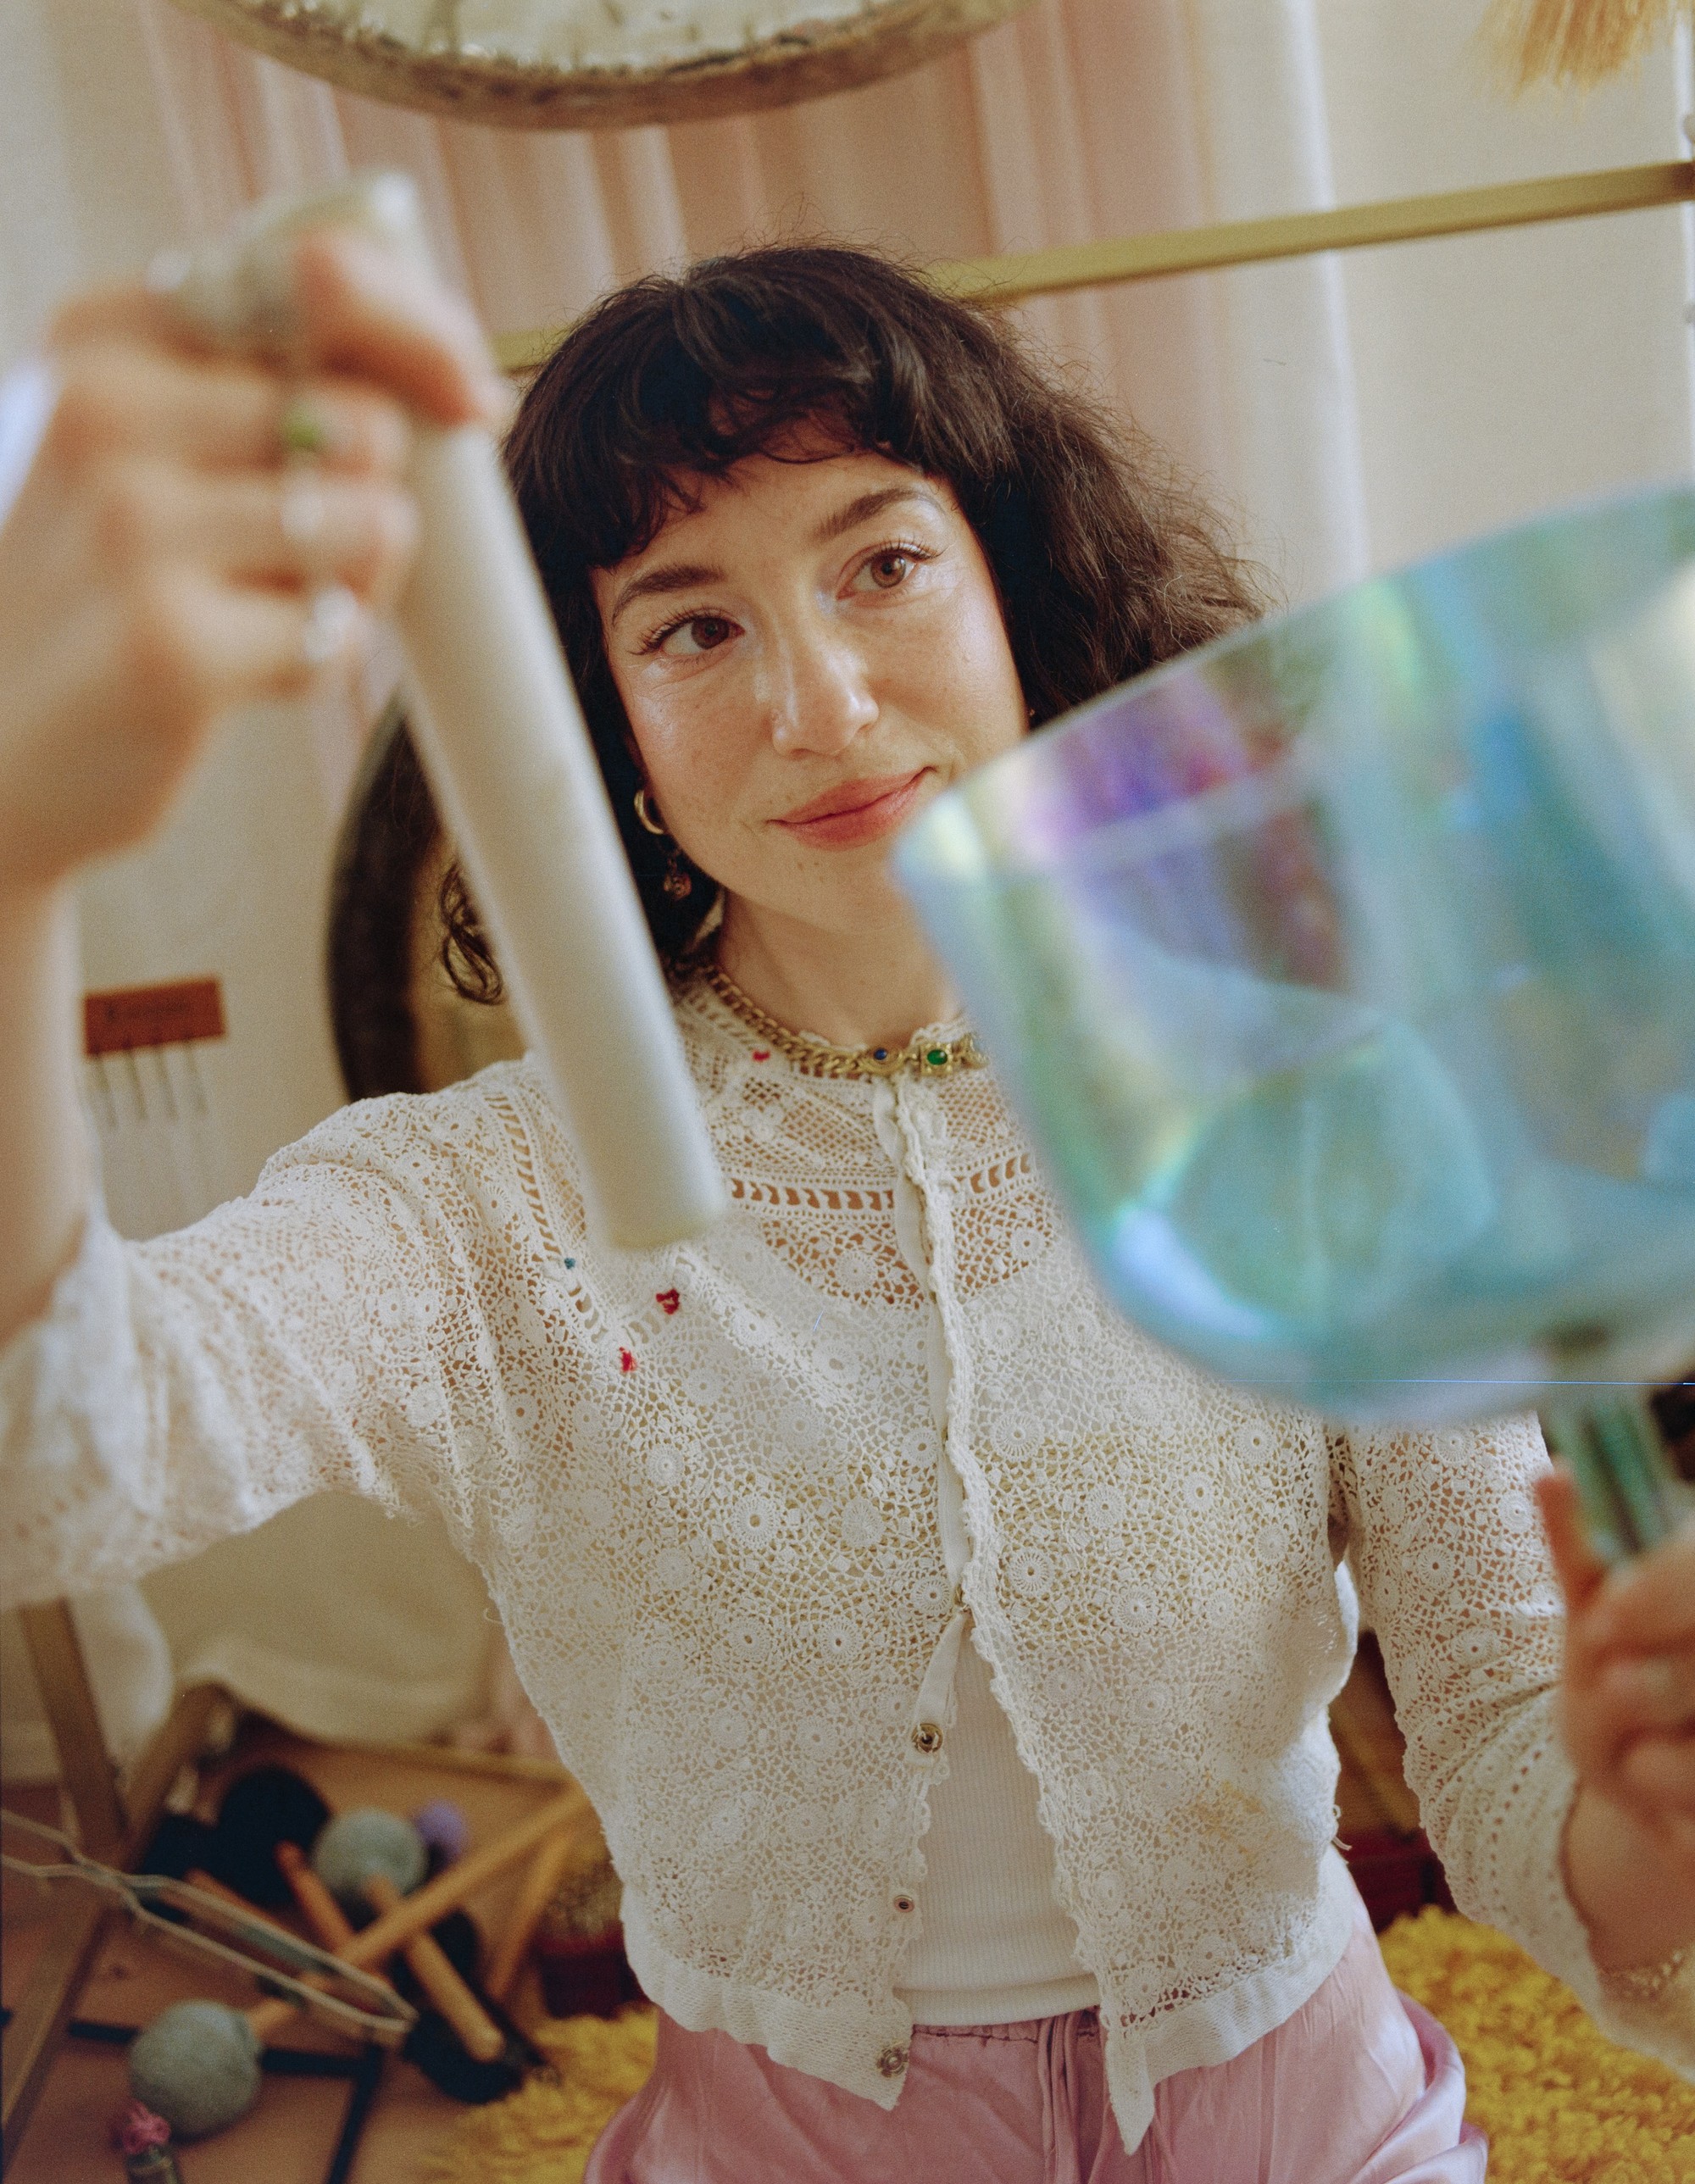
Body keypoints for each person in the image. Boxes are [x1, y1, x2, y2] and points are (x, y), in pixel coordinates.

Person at [1, 226, 1692, 2184]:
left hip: (1311, 2127)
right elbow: (59, 1460)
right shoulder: (486, 1198)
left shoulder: (1304, 1099)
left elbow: (1498, 1729)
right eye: (689, 627)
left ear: (1010, 596)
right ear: (600, 730)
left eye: (883, 561)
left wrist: (1639, 1843)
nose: (817, 697)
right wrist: (22, 849)